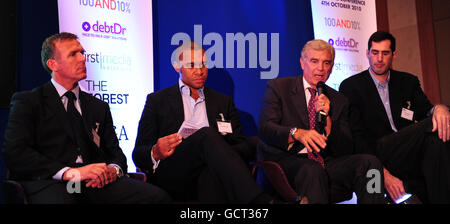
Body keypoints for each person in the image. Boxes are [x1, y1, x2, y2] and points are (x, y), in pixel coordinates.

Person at [2, 32, 171, 204]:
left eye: (82, 53)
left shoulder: (98, 106)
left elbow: (116, 153)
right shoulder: (29, 101)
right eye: (73, 54)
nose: (83, 58)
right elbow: (15, 152)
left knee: (157, 198)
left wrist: (113, 170)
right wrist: (69, 172)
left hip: (93, 184)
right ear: (53, 64)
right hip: (53, 181)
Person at [133, 41, 275, 203]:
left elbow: (244, 147)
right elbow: (138, 153)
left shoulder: (223, 102)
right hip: (174, 172)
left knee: (209, 170)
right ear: (177, 66)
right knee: (206, 134)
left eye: (204, 65)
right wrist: (156, 151)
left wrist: (219, 153)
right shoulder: (157, 101)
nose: (200, 71)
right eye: (192, 65)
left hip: (212, 171)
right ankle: (259, 201)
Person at [258, 39, 385, 204]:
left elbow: (346, 148)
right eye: (314, 61)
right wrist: (297, 133)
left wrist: (330, 124)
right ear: (302, 63)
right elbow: (265, 128)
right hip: (287, 162)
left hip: (326, 162)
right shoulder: (279, 88)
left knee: (370, 164)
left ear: (332, 67)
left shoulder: (338, 100)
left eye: (327, 63)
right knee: (312, 170)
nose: (321, 68)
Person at [339, 31, 450, 203]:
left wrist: (439, 108)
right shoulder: (351, 87)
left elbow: (426, 109)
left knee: (435, 141)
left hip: (406, 153)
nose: (379, 59)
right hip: (379, 150)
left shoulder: (408, 82)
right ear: (367, 53)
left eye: (385, 53)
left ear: (394, 55)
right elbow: (357, 137)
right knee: (432, 124)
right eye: (375, 53)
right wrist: (383, 173)